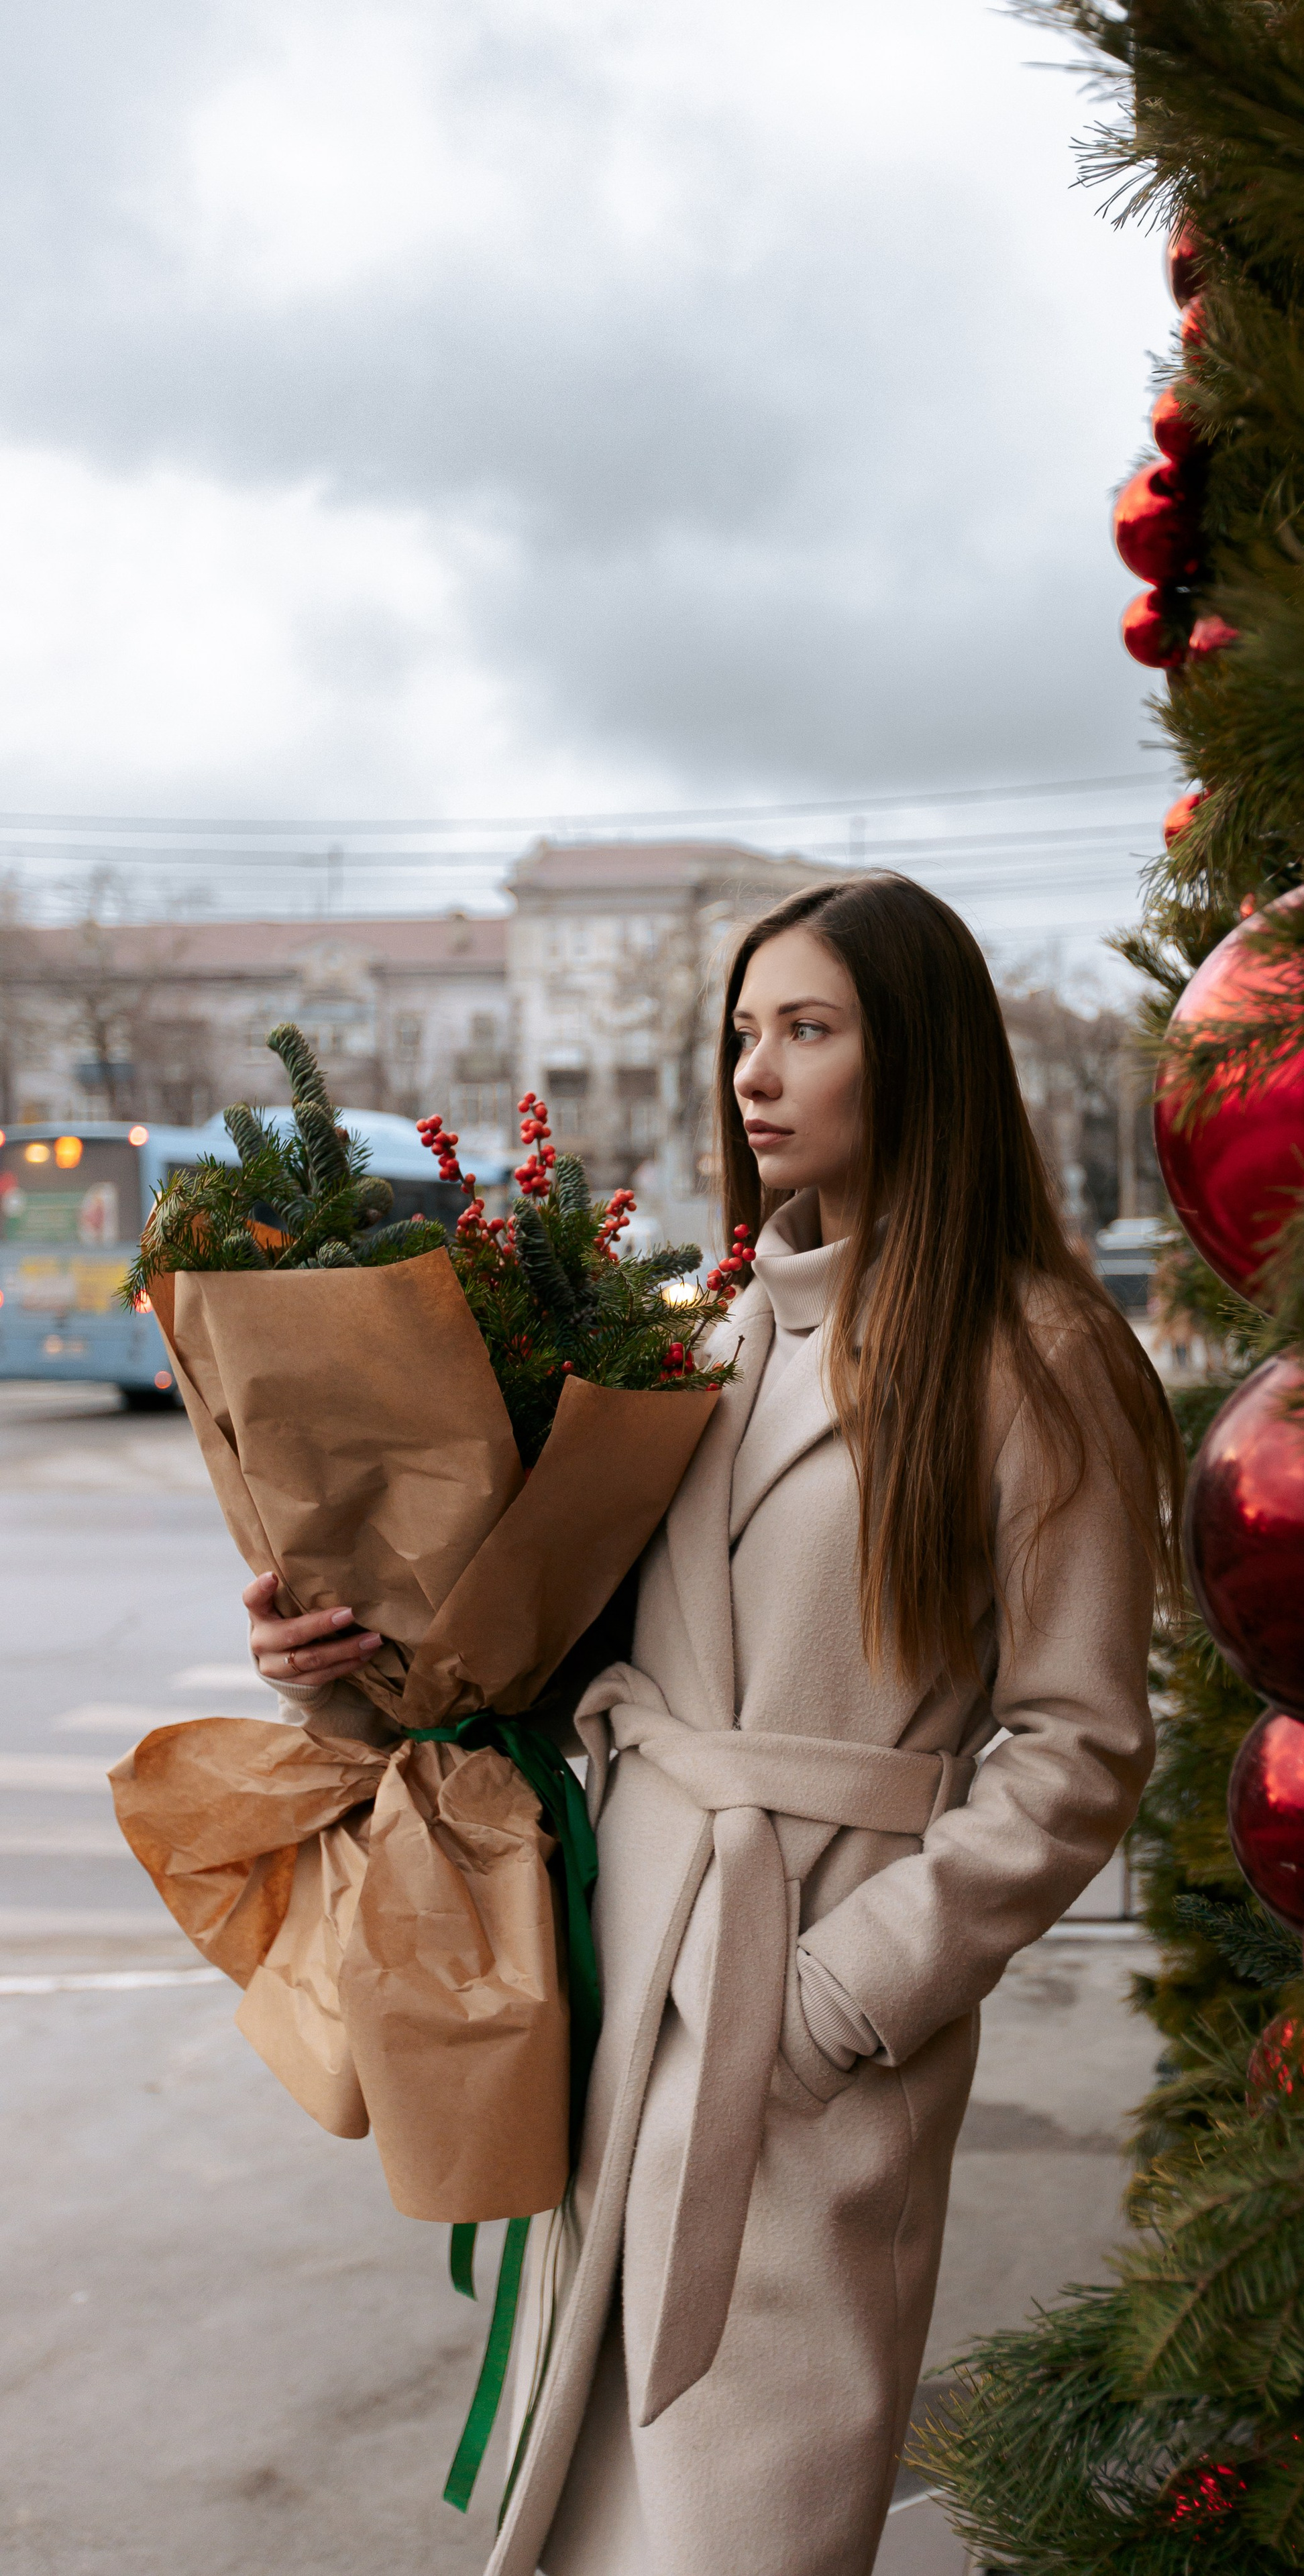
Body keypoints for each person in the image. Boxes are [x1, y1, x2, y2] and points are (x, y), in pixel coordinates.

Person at [246, 874, 1183, 2576]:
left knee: (741, 2522)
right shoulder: (708, 1335)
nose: (755, 1074)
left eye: (807, 1031)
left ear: (921, 1061)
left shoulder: (1036, 1358)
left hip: (805, 1990)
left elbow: (1078, 1743)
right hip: (621, 1970)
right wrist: (336, 1657)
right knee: (596, 2505)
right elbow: (536, 1658)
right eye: (742, 1033)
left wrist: (851, 1994)